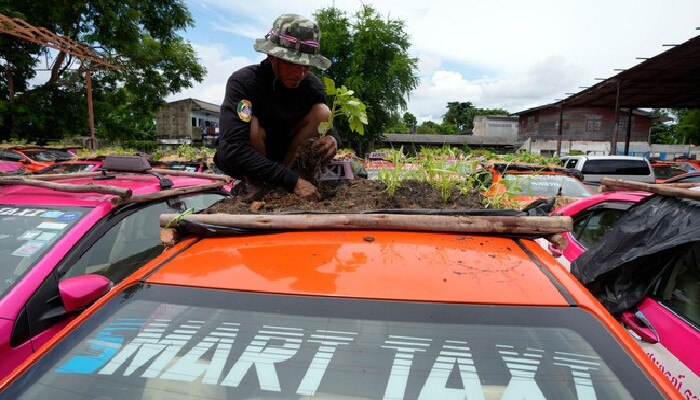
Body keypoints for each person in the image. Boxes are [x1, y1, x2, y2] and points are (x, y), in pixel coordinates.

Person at [214, 13, 342, 201]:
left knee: (323, 112)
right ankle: (257, 184)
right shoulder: (244, 83)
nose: (300, 73)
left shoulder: (311, 86)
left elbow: (329, 128)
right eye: (292, 63)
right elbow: (235, 149)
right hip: (248, 162)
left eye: (306, 65)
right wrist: (292, 182)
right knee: (251, 125)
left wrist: (334, 139)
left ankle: (282, 180)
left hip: (286, 158)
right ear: (272, 56)